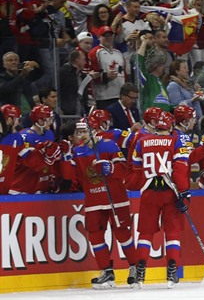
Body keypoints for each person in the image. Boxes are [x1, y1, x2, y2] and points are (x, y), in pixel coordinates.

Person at [60, 118, 137, 289]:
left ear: (93, 131)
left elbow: (123, 169)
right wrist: (65, 157)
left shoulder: (109, 145)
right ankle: (107, 272)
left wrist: (110, 167)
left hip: (115, 198)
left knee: (122, 234)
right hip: (94, 200)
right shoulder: (77, 151)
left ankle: (135, 267)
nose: (80, 136)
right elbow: (69, 177)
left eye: (84, 132)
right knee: (95, 236)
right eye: (78, 132)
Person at [129, 111, 191, 289]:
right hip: (170, 192)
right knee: (172, 232)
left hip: (148, 192)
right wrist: (184, 192)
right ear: (171, 127)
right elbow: (180, 169)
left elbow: (136, 169)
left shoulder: (142, 141)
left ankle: (140, 271)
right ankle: (172, 271)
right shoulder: (176, 140)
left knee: (146, 234)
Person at [10, 105, 61, 194]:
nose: (51, 122)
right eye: (49, 119)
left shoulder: (49, 134)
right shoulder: (24, 137)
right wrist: (41, 152)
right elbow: (29, 162)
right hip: (21, 187)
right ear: (40, 120)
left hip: (39, 186)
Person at [89, 26, 128, 110]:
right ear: (99, 37)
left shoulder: (118, 53)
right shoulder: (95, 52)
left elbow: (124, 73)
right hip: (103, 97)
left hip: (120, 96)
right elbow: (91, 74)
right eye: (105, 35)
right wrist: (105, 76)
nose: (108, 38)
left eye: (110, 35)